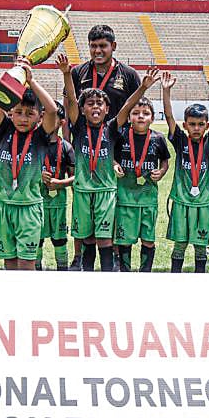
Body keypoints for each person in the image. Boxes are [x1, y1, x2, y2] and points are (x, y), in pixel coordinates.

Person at [59, 54, 159, 272]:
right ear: (84, 109)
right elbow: (72, 103)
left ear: (107, 109)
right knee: (86, 239)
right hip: (83, 190)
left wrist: (142, 88)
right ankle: (86, 276)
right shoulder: (78, 127)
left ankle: (106, 279)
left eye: (100, 103)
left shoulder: (112, 127)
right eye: (90, 103)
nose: (95, 107)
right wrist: (67, 74)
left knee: (105, 240)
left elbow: (127, 106)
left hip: (106, 191)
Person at [66, 24, 142, 270]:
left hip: (115, 141)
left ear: (113, 47)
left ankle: (116, 256)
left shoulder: (128, 74)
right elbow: (71, 106)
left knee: (112, 203)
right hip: (84, 140)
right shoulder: (78, 72)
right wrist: (68, 144)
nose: (98, 51)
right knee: (83, 204)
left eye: (103, 46)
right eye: (93, 46)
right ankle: (79, 257)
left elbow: (133, 107)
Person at [0, 61, 59, 270]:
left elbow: (53, 110)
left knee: (26, 264)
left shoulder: (40, 136)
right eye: (18, 112)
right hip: (4, 206)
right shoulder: (4, 129)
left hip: (29, 208)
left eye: (30, 113)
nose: (23, 118)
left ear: (39, 117)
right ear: (10, 112)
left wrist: (31, 81)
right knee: (9, 262)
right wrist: (15, 74)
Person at [161, 71, 209, 272]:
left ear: (206, 125)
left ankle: (200, 278)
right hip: (182, 200)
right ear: (185, 125)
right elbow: (169, 116)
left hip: (204, 202)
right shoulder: (180, 140)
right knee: (179, 245)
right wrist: (166, 90)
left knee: (200, 246)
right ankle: (175, 277)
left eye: (200, 125)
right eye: (192, 124)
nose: (196, 128)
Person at [113, 94, 170, 272]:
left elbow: (165, 161)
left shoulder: (158, 138)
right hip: (125, 198)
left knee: (148, 238)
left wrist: (161, 172)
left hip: (148, 199)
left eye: (145, 113)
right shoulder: (121, 136)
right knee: (124, 240)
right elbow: (112, 157)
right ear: (129, 117)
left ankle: (145, 272)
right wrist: (115, 165)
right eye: (136, 113)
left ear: (152, 118)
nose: (140, 116)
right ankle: (125, 271)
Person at [37, 101, 75, 271]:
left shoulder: (66, 147)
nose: (47, 120)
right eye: (44, 116)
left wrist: (60, 183)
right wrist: (38, 177)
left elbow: (76, 177)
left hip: (58, 203)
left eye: (53, 117)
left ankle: (62, 270)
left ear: (62, 122)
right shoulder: (34, 144)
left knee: (59, 240)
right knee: (36, 239)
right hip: (36, 203)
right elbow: (21, 170)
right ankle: (35, 269)